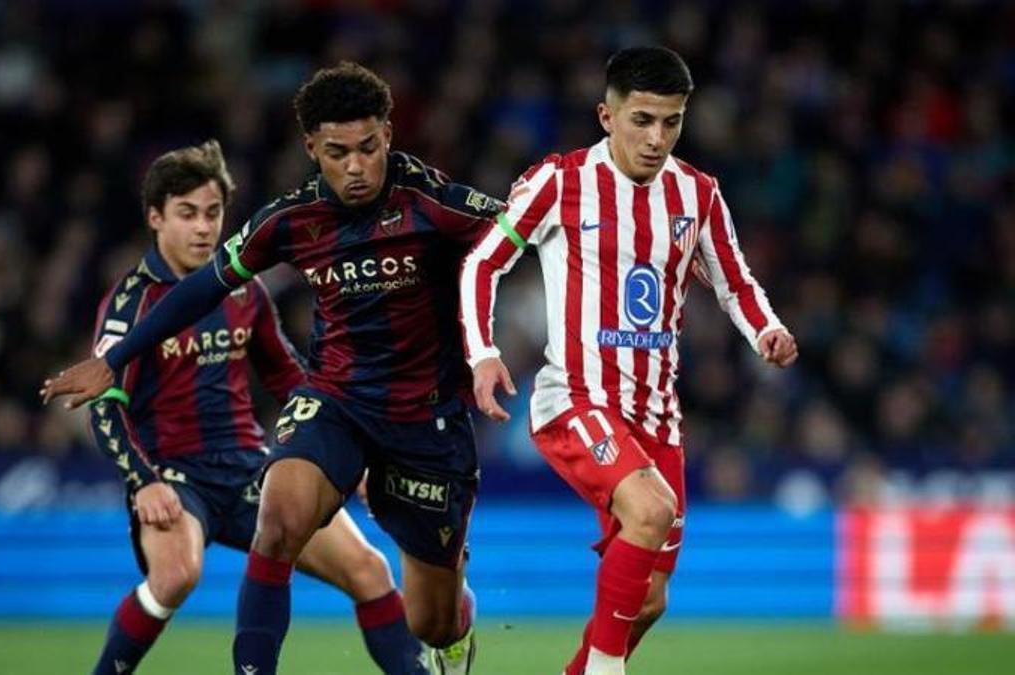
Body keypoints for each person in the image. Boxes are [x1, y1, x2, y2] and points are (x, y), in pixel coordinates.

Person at [43, 63, 500, 675]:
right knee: (278, 520)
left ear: (389, 135)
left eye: (368, 147)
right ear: (312, 148)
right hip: (334, 403)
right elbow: (204, 288)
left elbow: (536, 235)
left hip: (426, 420)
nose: (357, 167)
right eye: (338, 153)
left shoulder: (434, 202)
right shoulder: (288, 220)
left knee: (430, 617)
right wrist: (114, 361)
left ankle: (449, 637)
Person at [460, 47, 798, 675]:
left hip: (658, 417)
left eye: (672, 121)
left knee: (648, 600)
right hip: (576, 400)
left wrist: (767, 331)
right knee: (650, 510)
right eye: (642, 119)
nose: (657, 137)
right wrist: (483, 353)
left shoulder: (698, 193)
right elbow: (484, 262)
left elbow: (734, 281)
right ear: (606, 116)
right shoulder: (559, 181)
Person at [85, 140, 429, 674]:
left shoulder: (241, 293)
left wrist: (343, 450)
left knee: (369, 571)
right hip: (174, 476)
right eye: (187, 214)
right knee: (175, 575)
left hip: (247, 467)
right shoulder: (131, 304)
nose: (203, 228)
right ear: (155, 218)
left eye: (213, 213)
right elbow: (104, 406)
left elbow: (290, 377)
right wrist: (143, 482)